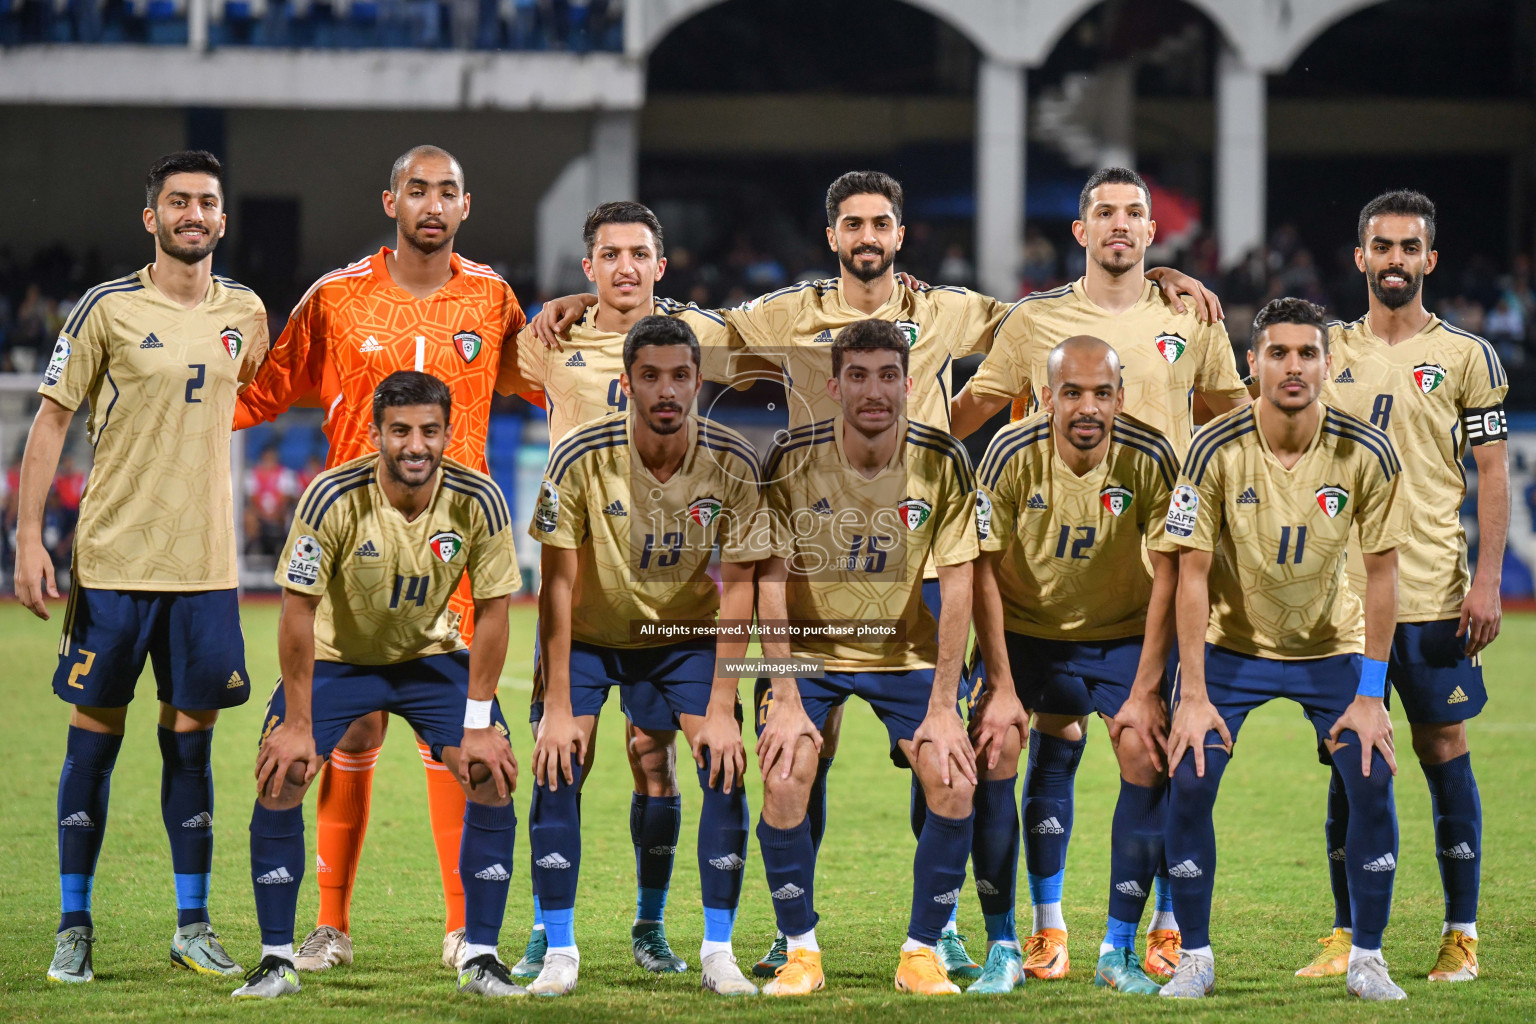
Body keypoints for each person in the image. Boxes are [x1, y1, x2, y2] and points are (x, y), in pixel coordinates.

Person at [531, 169, 1222, 980]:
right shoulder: (788, 314)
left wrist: (1153, 275)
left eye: (881, 224)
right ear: (833, 236)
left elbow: (1057, 317)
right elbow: (687, 338)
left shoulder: (948, 310)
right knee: (797, 748)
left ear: (899, 235)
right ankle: (795, 932)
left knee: (937, 749)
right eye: (852, 224)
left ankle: (944, 928)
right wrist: (599, 304)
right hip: (810, 580)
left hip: (916, 573)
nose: (867, 236)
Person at [948, 166, 1252, 979]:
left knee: (1154, 748)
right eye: (1105, 213)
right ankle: (1041, 929)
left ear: (1153, 233)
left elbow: (1235, 419)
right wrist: (902, 466)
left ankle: (1155, 925)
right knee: (1035, 739)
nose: (1120, 224)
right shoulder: (1036, 320)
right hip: (1043, 572)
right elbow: (974, 408)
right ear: (1079, 231)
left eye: (1135, 214)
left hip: (1151, 578)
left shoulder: (1190, 316)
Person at [233, 145, 529, 972]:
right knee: (352, 725)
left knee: (459, 742)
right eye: (416, 190)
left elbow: (550, 377)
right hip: (350, 550)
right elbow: (264, 388)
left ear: (465, 206)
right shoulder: (336, 296)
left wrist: (602, 318)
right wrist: (171, 400)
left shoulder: (493, 296)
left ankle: (464, 931)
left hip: (455, 549)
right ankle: (329, 926)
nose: (430, 204)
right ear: (389, 200)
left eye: (446, 192)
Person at [498, 200, 773, 978]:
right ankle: (552, 934)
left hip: (676, 606)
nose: (624, 267)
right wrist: (557, 309)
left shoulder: (703, 336)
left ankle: (652, 926)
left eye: (639, 254)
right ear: (589, 268)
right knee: (565, 757)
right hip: (589, 592)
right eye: (609, 255)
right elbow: (474, 365)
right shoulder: (549, 340)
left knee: (660, 764)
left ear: (661, 263)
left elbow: (790, 344)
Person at [16, 150, 269, 983]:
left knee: (190, 749)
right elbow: (51, 423)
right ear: (151, 217)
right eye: (177, 202)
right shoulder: (107, 309)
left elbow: (259, 393)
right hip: (117, 563)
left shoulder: (247, 312)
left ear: (222, 220)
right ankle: (73, 924)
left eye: (206, 203)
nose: (193, 215)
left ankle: (191, 924)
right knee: (95, 743)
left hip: (205, 569)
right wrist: (27, 539)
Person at [232, 371, 524, 999]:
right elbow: (296, 611)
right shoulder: (331, 496)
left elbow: (496, 611)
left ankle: (481, 957)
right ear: (376, 434)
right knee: (281, 772)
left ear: (449, 433)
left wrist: (478, 724)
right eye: (400, 431)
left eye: (428, 430)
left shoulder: (480, 498)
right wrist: (299, 725)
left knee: (491, 773)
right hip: (340, 659)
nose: (415, 445)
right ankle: (277, 961)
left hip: (430, 657)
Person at [1157, 298, 1409, 1001]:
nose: (1292, 367)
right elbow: (1191, 574)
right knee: (1191, 777)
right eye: (1278, 353)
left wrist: (1370, 692)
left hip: (1332, 646)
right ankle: (1194, 957)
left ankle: (1367, 957)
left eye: (1306, 354)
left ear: (1329, 365)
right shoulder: (1212, 447)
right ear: (1253, 362)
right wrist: (1196, 695)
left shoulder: (1368, 449)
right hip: (1231, 647)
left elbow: (1383, 574)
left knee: (1372, 775)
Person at [1299, 190, 1509, 982]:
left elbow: (1492, 475)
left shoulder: (1466, 356)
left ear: (1429, 256)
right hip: (1342, 602)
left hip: (1433, 594)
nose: (1393, 260)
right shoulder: (1322, 349)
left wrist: (1486, 579)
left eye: (1407, 247)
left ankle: (1462, 935)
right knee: (1349, 755)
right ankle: (1345, 936)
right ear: (1360, 258)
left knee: (1441, 746)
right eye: (1380, 247)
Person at [753, 319, 977, 996]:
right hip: (809, 656)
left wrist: (945, 704)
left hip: (904, 651)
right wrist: (785, 695)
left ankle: (921, 953)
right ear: (835, 385)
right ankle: (800, 953)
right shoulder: (791, 456)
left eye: (887, 376)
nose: (873, 390)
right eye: (858, 375)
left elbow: (961, 580)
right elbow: (768, 576)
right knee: (786, 769)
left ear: (908, 384)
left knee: (954, 776)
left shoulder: (943, 457)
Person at [967, 335, 1179, 995]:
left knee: (1146, 751)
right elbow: (979, 569)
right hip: (1028, 634)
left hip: (1120, 632)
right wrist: (999, 686)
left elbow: (1174, 572)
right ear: (1046, 397)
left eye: (1102, 393)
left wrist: (1148, 688)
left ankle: (1117, 950)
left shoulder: (1150, 456)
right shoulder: (1008, 452)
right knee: (994, 744)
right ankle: (1011, 942)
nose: (1088, 407)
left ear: (1120, 396)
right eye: (1072, 392)